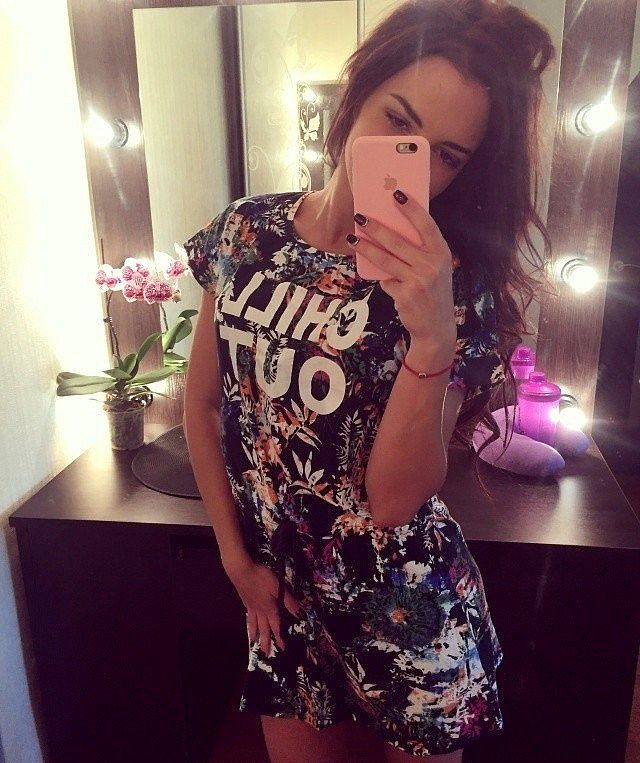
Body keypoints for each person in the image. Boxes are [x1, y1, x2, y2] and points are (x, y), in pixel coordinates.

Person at [182, 1, 556, 760]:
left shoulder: (455, 285)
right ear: (355, 94)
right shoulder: (245, 232)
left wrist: (433, 333)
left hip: (409, 609)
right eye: (397, 119)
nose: (409, 159)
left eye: (445, 155)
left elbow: (391, 500)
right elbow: (203, 407)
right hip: (287, 600)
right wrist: (236, 561)